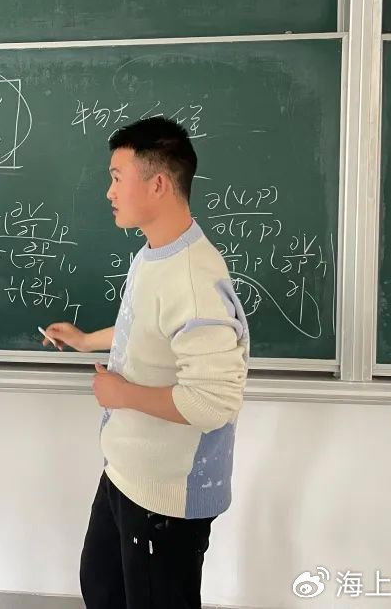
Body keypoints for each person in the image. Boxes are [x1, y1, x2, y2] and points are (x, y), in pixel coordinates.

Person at [42, 117, 249, 609]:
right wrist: (88, 340)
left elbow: (213, 402)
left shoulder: (194, 281)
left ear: (157, 184)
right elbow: (148, 330)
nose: (109, 192)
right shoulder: (155, 254)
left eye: (117, 177)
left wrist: (121, 394)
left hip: (167, 497)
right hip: (127, 472)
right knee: (101, 587)